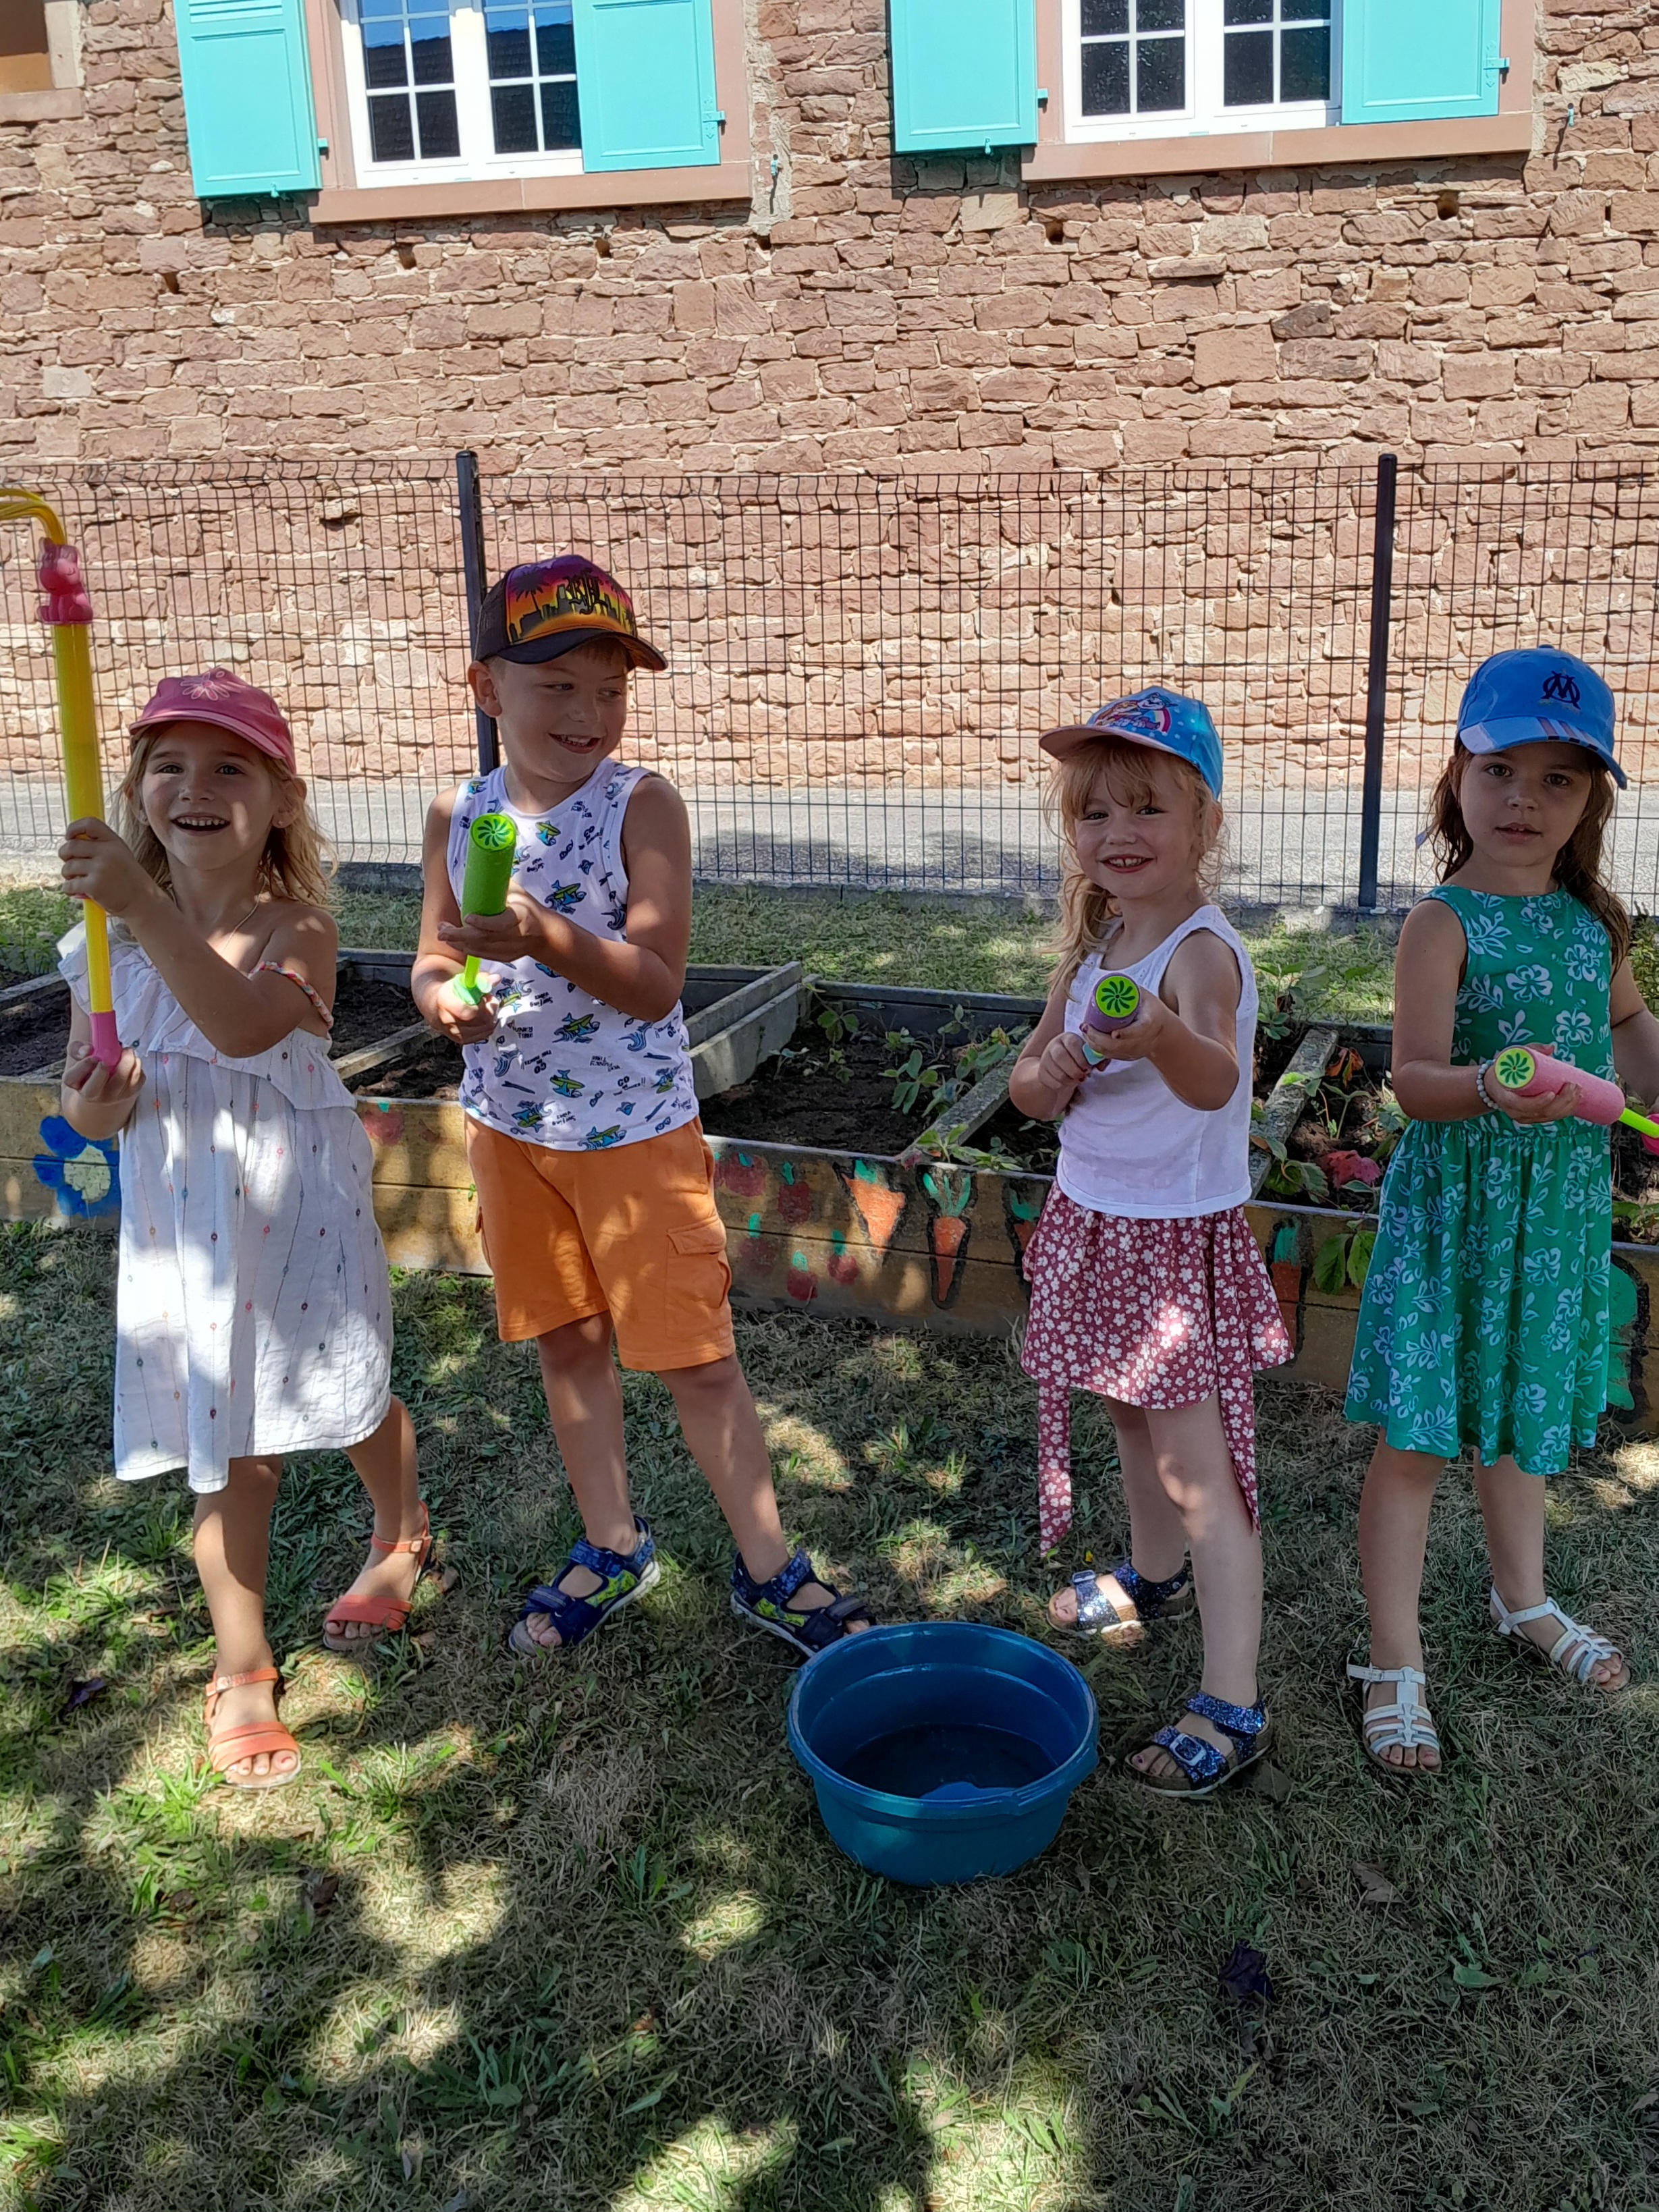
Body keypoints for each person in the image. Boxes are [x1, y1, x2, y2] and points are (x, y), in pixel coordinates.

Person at [412, 554, 873, 1659]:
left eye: (610, 689)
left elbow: (657, 981)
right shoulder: (458, 813)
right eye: (557, 686)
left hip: (631, 1136)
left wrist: (542, 934)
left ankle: (770, 1568)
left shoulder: (641, 803)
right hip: (510, 1131)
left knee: (694, 1355)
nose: (588, 712)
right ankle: (611, 1539)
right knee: (567, 1343)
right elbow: (432, 954)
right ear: (485, 688)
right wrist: (442, 999)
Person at [55, 670, 429, 1792]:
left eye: (230, 768)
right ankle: (243, 1664)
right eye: (169, 766)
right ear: (137, 791)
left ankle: (400, 1525)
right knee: (230, 1450)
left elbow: (239, 1026)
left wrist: (141, 904)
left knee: (349, 1398)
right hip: (185, 1234)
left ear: (281, 801)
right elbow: (81, 1097)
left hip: (300, 1211)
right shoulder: (99, 947)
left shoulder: (294, 929)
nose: (197, 788)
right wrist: (97, 1103)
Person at [1344, 648, 1655, 1775]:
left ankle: (1520, 1599)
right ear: (1457, 777)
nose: (1524, 799)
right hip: (1457, 1217)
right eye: (1499, 770)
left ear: (1589, 802)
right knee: (1419, 1436)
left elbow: (1630, 1034)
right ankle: (1392, 1657)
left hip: (1553, 1222)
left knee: (1518, 1423)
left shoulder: (1589, 928)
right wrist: (1486, 1085)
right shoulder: (1442, 922)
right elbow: (1412, 1079)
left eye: (1556, 779)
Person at [1009, 690, 1291, 1799]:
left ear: (1205, 824)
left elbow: (1215, 1075)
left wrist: (1160, 1032)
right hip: (1094, 1220)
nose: (1117, 832)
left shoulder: (1198, 952)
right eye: (1094, 813)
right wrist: (1053, 1071)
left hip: (1169, 1241)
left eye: (1147, 808)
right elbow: (1029, 1087)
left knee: (1195, 1466)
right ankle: (1153, 1572)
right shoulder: (1092, 944)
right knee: (1125, 1413)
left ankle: (1232, 1702)